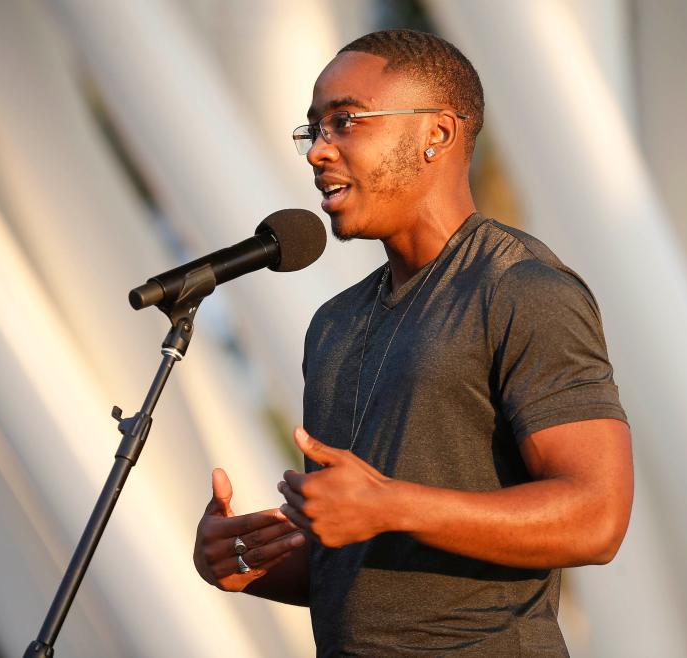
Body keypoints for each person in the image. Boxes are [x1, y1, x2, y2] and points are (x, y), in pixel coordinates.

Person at [194, 29, 633, 656]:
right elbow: (370, 569)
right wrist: (251, 564)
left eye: (345, 122)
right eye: (314, 129)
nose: (318, 152)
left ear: (438, 134)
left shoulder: (521, 289)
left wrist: (391, 504)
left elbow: (597, 517)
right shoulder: (334, 323)